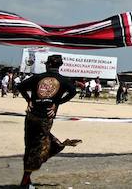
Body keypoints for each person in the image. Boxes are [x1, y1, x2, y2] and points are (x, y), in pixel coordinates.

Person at [17, 53, 82, 188]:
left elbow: (20, 87)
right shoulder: (63, 80)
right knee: (38, 147)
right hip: (46, 118)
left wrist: (29, 100)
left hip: (31, 116)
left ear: (48, 64)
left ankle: (26, 180)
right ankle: (25, 180)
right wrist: (57, 102)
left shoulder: (37, 77)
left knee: (30, 145)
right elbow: (73, 92)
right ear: (60, 66)